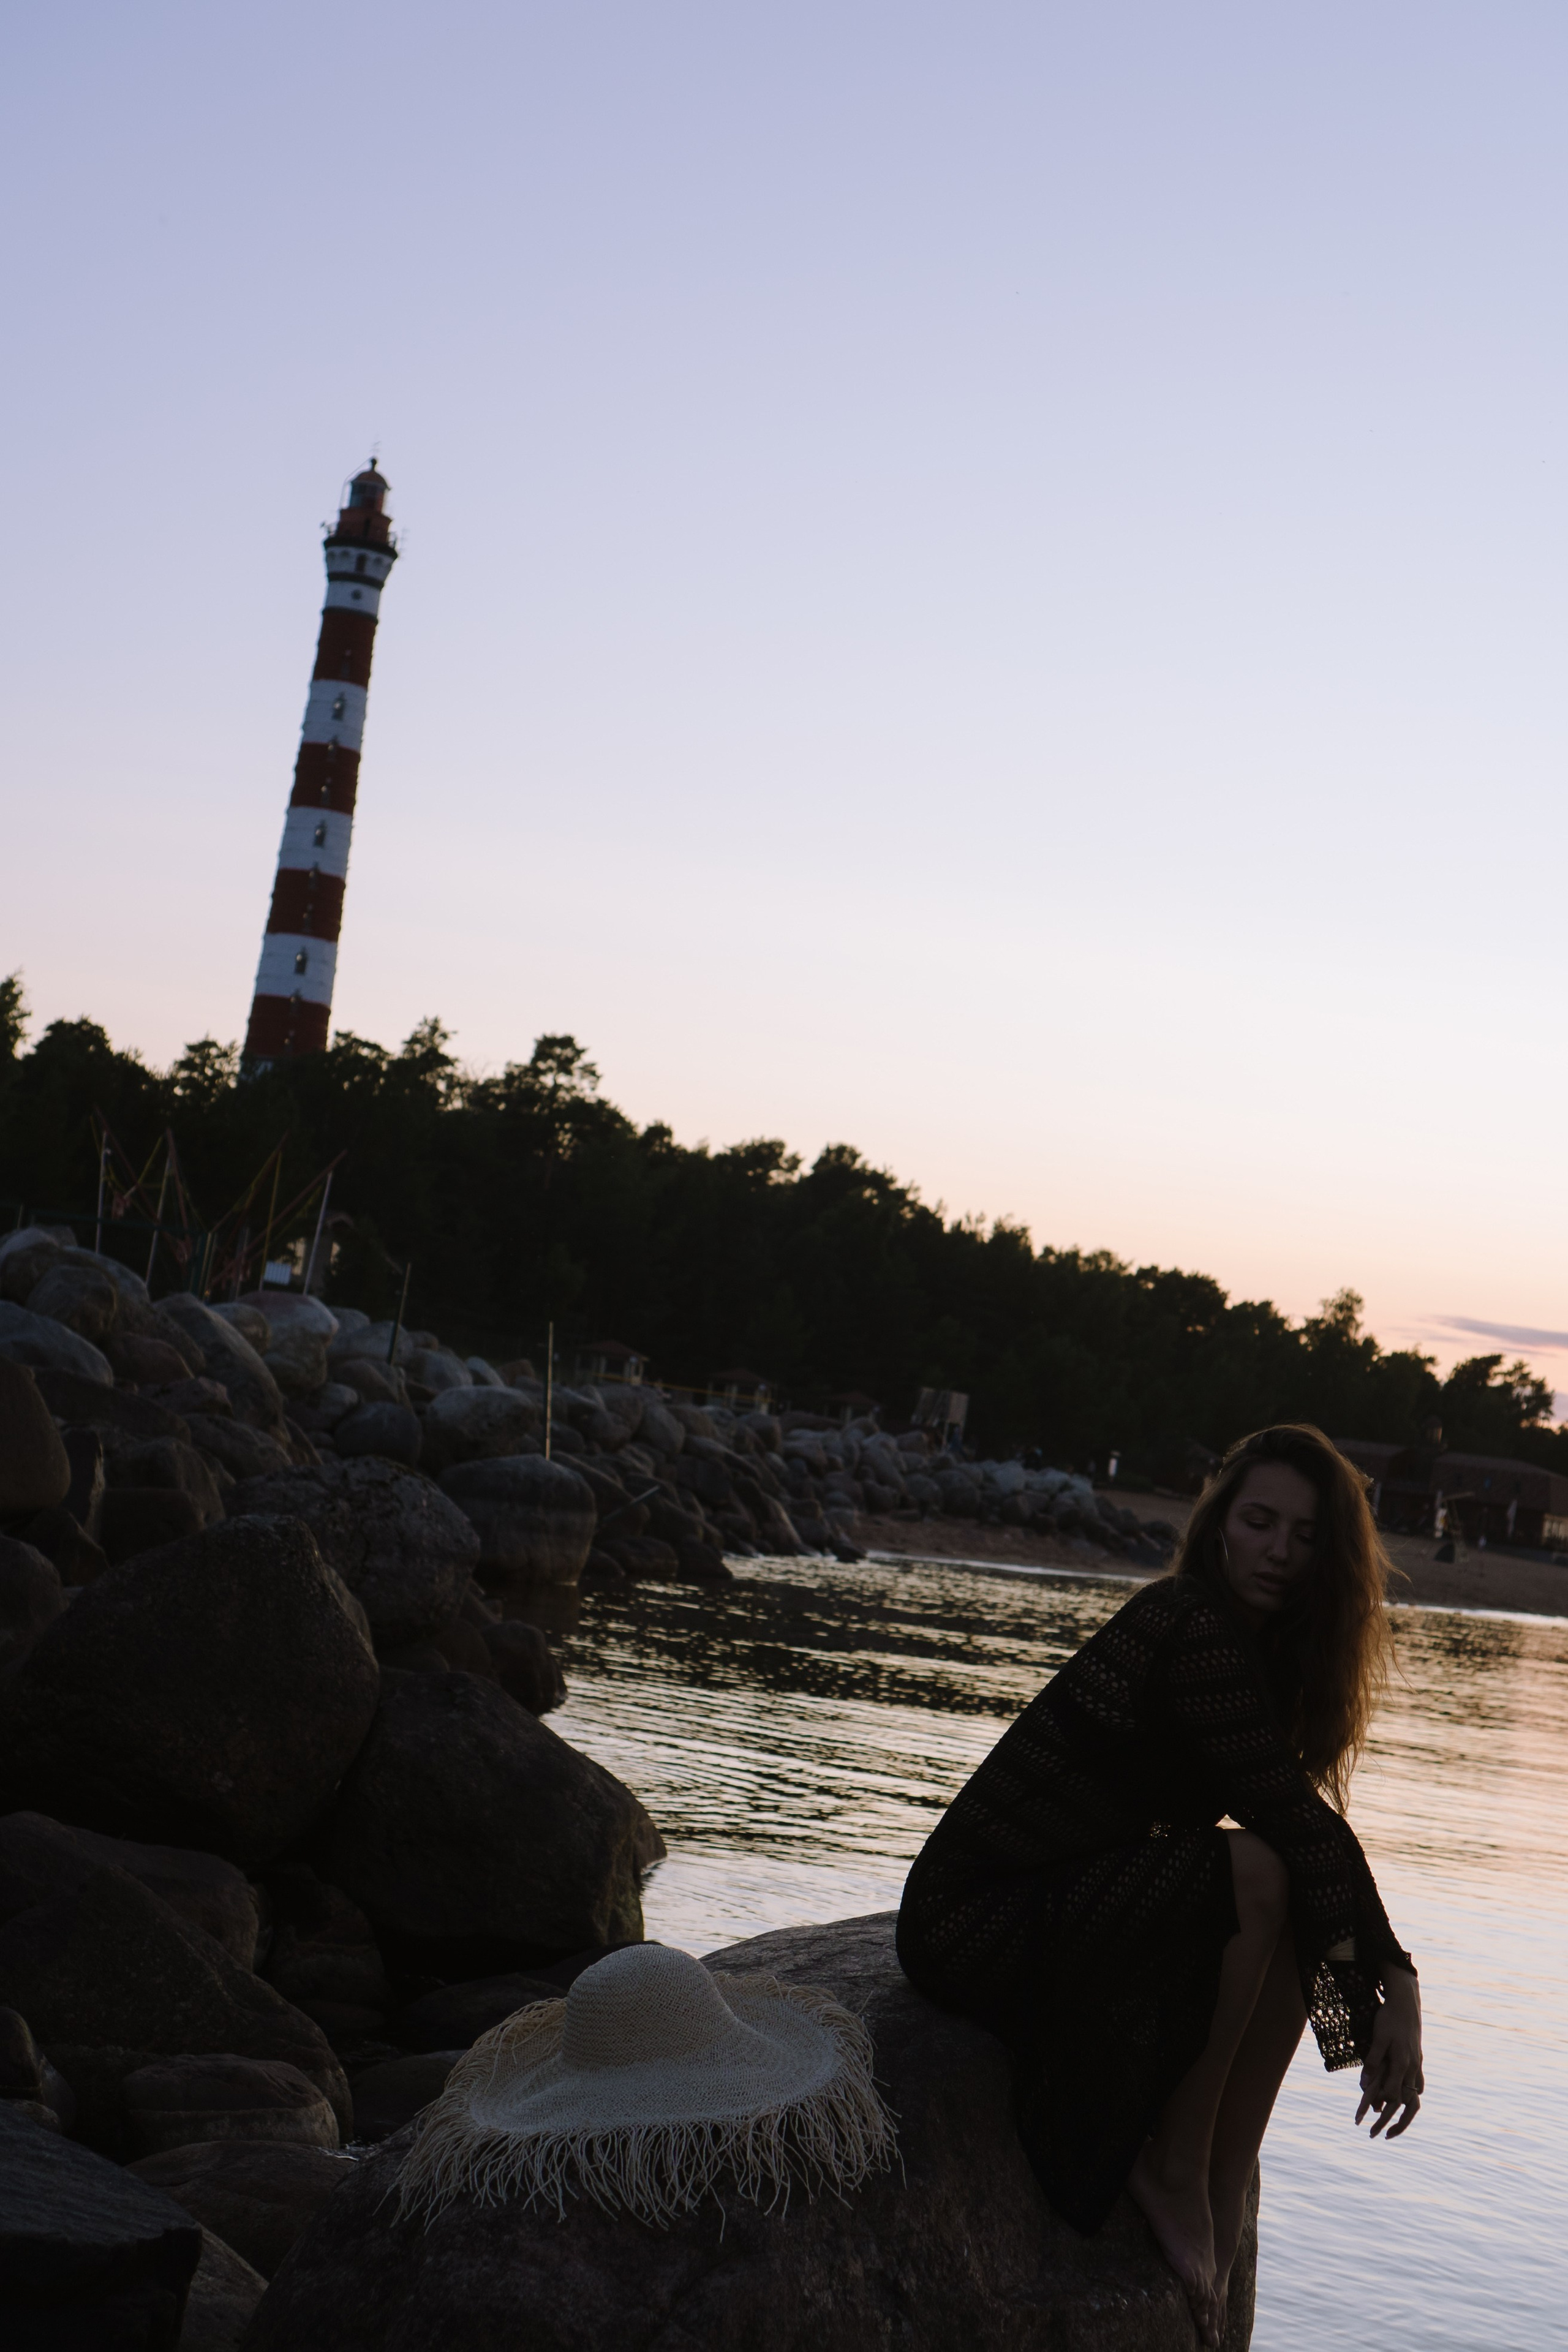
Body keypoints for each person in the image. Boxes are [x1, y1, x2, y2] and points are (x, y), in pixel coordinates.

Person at [895, 1423, 1422, 2346]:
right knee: (1262, 1866)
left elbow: (1307, 1837)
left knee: (1284, 1875)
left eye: (1305, 1536)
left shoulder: (1263, 1659)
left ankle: (1223, 2173)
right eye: (1260, 1522)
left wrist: (1373, 1992)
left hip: (1082, 1898)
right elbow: (1299, 1831)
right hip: (974, 1918)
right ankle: (1178, 2169)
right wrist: (1396, 1988)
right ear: (1221, 1522)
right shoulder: (1186, 1622)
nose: (1280, 1552)